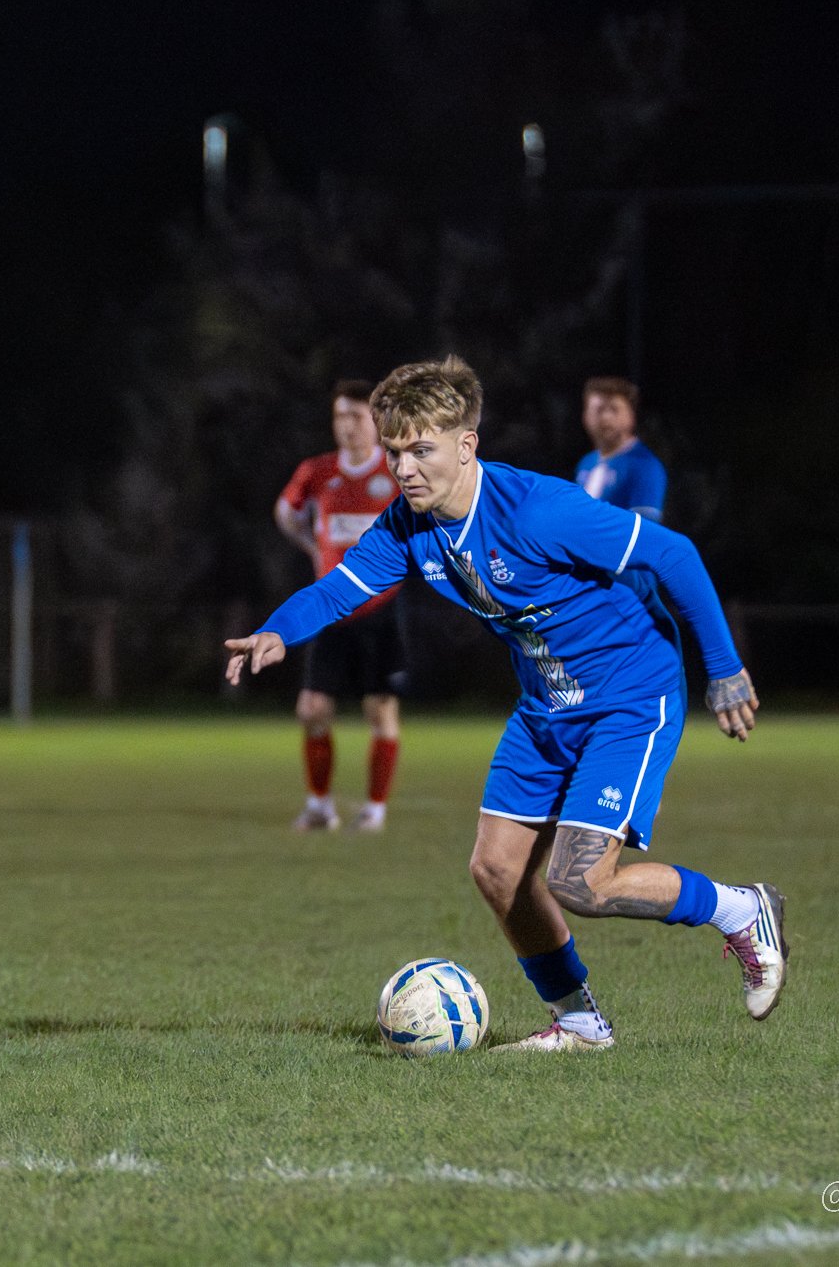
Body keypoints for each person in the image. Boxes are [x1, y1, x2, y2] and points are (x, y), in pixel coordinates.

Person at [226, 356, 785, 1054]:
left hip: (629, 697)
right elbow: (341, 587)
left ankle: (742, 908)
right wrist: (278, 630)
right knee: (495, 871)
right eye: (395, 451)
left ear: (467, 445)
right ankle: (580, 1023)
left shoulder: (540, 510)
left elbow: (672, 554)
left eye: (420, 450)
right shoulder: (409, 526)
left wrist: (725, 669)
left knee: (581, 879)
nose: (403, 469)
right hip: (545, 706)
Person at [272, 379, 409, 833]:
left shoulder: (395, 473)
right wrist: (312, 546)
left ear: (376, 421)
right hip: (330, 608)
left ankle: (374, 810)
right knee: (312, 709)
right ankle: (319, 806)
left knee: (380, 710)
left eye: (356, 415)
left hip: (381, 609)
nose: (347, 425)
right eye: (340, 416)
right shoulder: (317, 471)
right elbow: (286, 511)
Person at [575, 376, 666, 520]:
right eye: (598, 409)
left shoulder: (644, 466)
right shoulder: (586, 463)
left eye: (614, 409)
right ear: (585, 416)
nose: (606, 417)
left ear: (631, 416)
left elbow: (644, 528)